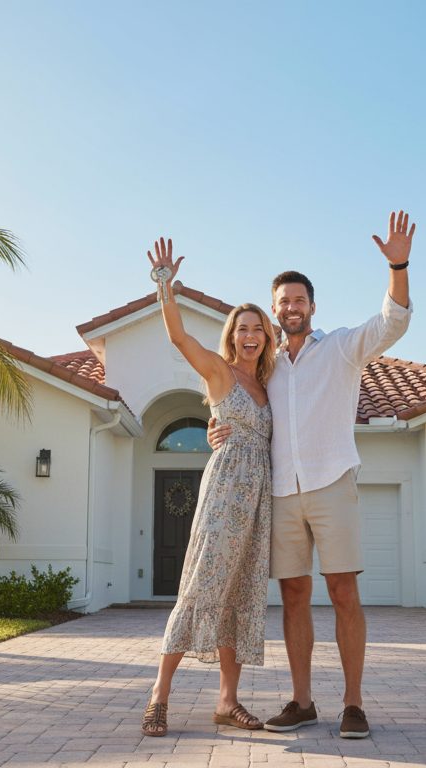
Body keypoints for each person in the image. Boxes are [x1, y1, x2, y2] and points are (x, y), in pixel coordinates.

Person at [208, 211, 415, 739]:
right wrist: (216, 426)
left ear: (312, 307)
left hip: (332, 484)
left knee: (344, 591)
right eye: (282, 302)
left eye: (298, 300)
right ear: (274, 310)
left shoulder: (342, 347)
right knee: (294, 594)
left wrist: (398, 265)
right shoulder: (267, 366)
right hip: (281, 492)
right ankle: (301, 701)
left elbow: (393, 322)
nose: (290, 308)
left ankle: (353, 704)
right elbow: (233, 399)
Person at [140, 237, 277, 737]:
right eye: (242, 329)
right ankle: (159, 695)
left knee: (241, 595)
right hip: (223, 497)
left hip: (258, 504)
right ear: (232, 336)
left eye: (258, 330)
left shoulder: (271, 384)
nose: (250, 336)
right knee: (200, 587)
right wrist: (164, 287)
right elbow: (178, 338)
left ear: (267, 338)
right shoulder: (220, 373)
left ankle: (227, 702)